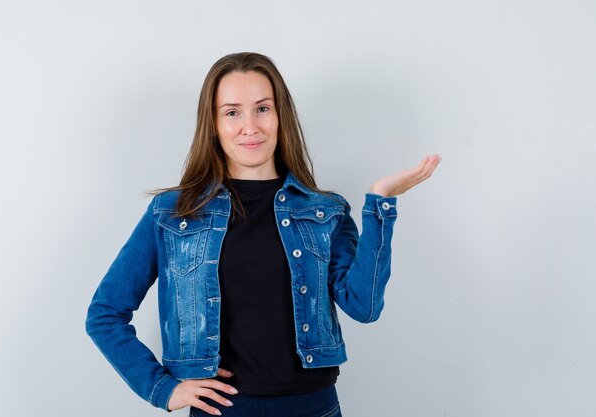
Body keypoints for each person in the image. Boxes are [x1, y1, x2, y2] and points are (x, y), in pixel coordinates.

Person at [85, 52, 440, 417]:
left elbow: (363, 307)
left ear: (280, 115)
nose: (250, 126)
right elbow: (105, 314)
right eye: (232, 112)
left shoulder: (325, 211)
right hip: (223, 411)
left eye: (263, 109)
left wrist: (380, 204)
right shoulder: (172, 213)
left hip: (314, 408)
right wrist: (162, 388)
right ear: (213, 123)